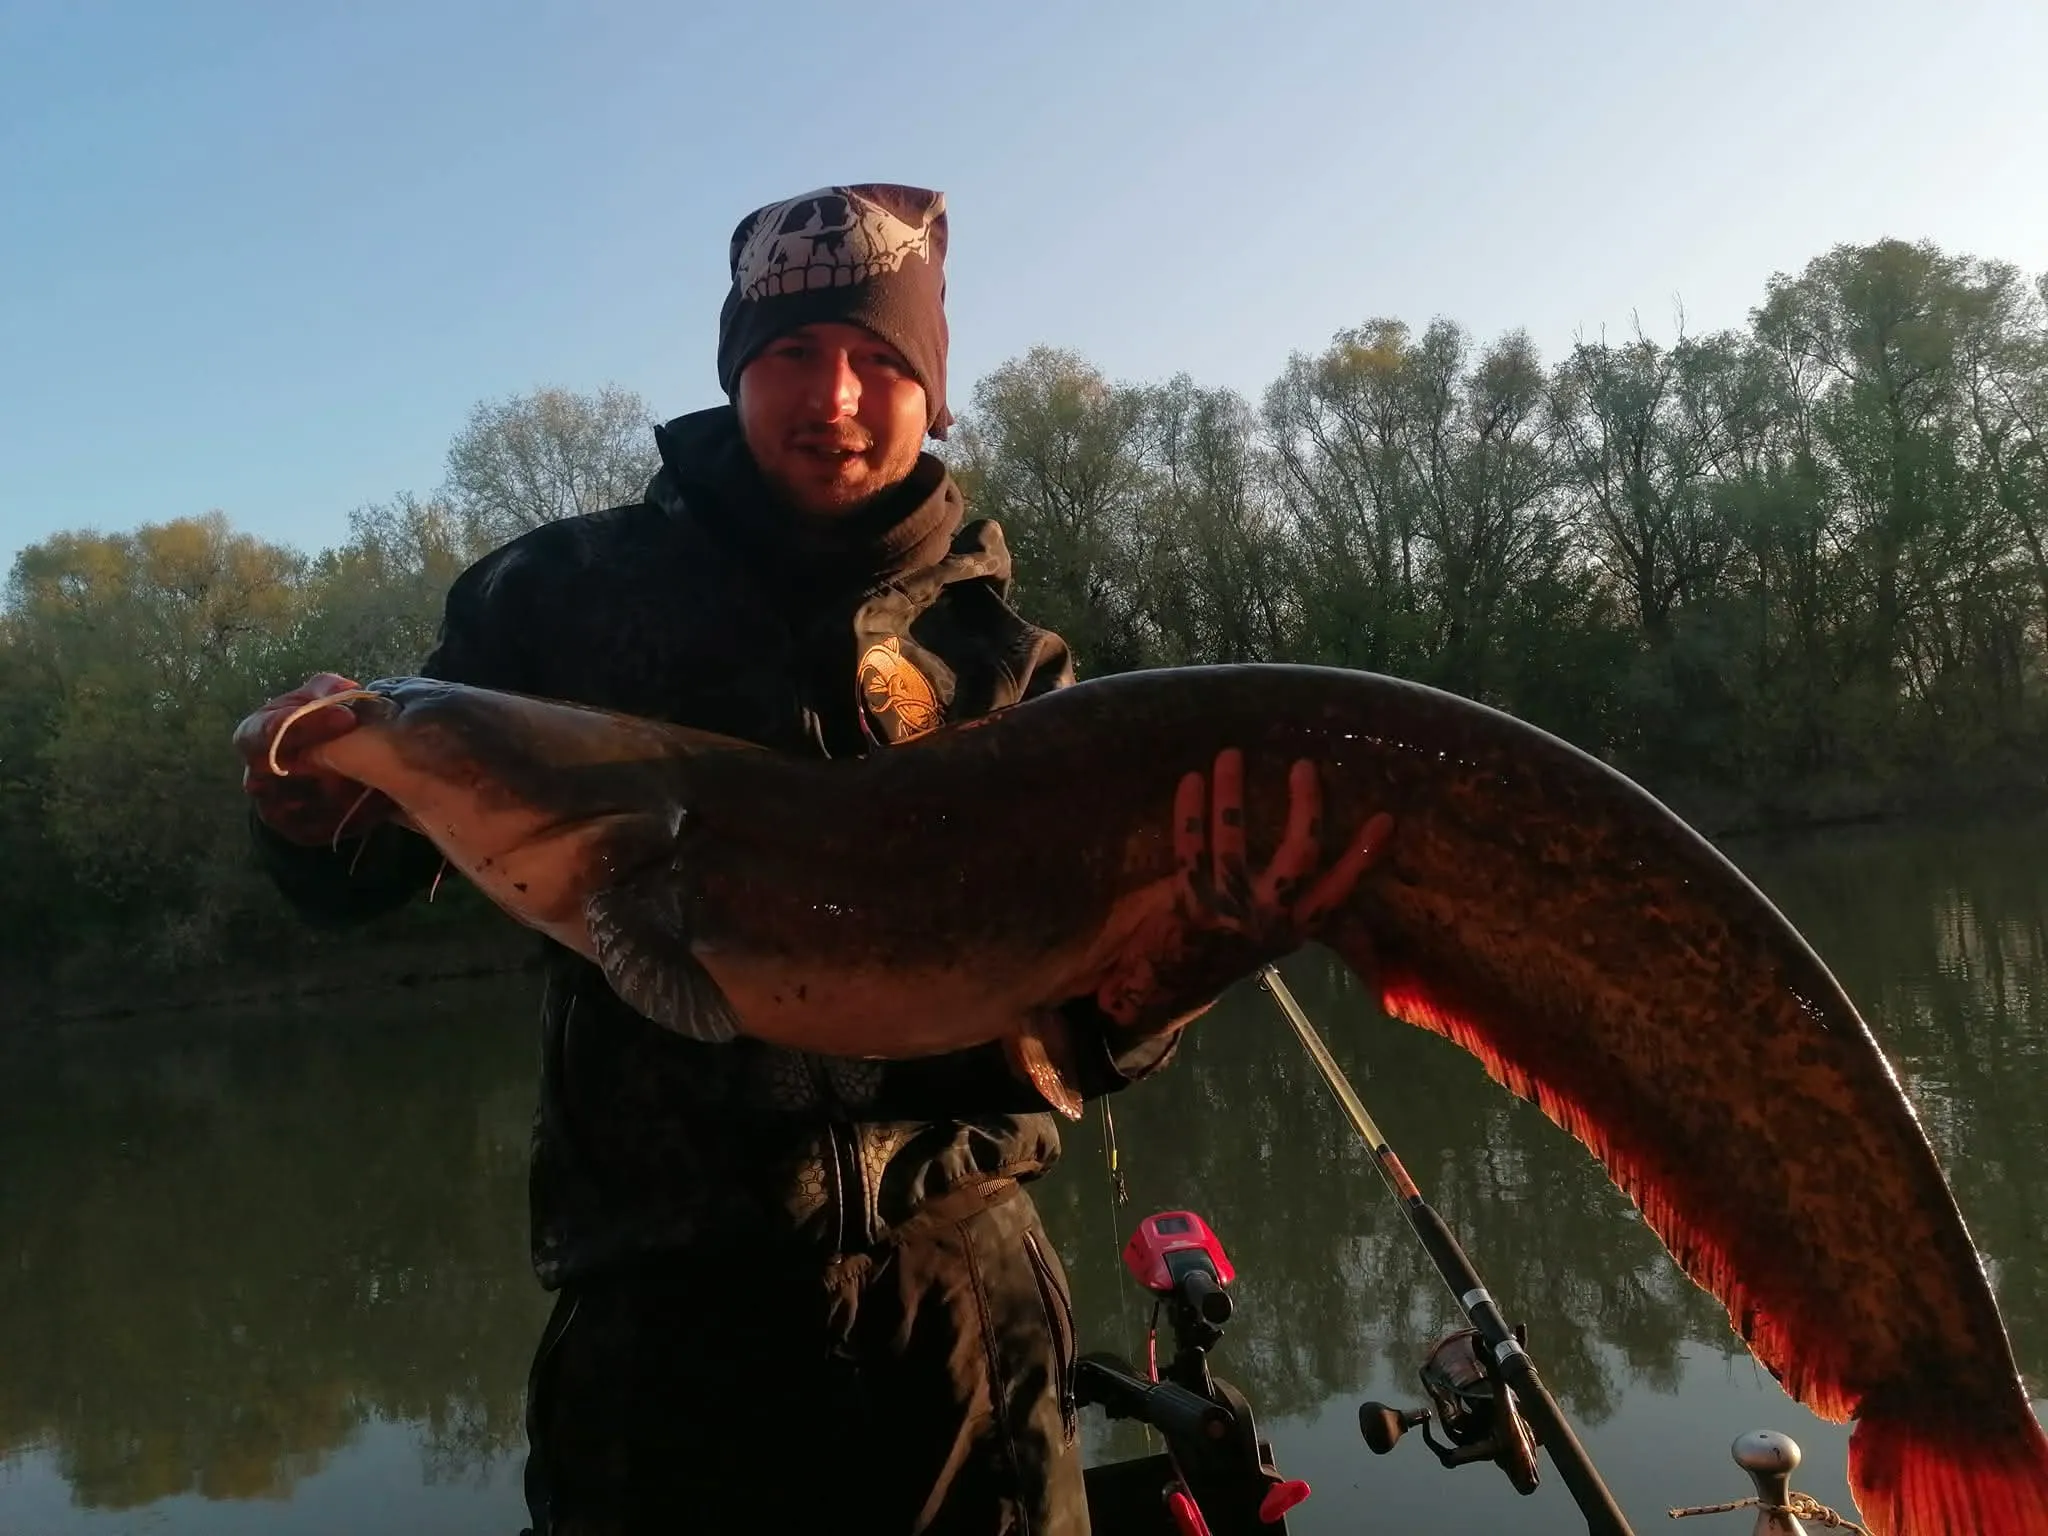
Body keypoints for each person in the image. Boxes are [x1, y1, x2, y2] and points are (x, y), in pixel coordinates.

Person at [234, 182, 1366, 1535]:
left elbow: (1082, 1042)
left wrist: (1194, 957)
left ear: (932, 393)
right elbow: (364, 869)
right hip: (658, 1312)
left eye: (879, 358)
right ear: (734, 372)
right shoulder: (555, 598)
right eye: (790, 352)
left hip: (964, 1308)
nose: (834, 395)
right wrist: (305, 808)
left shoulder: (1012, 667)